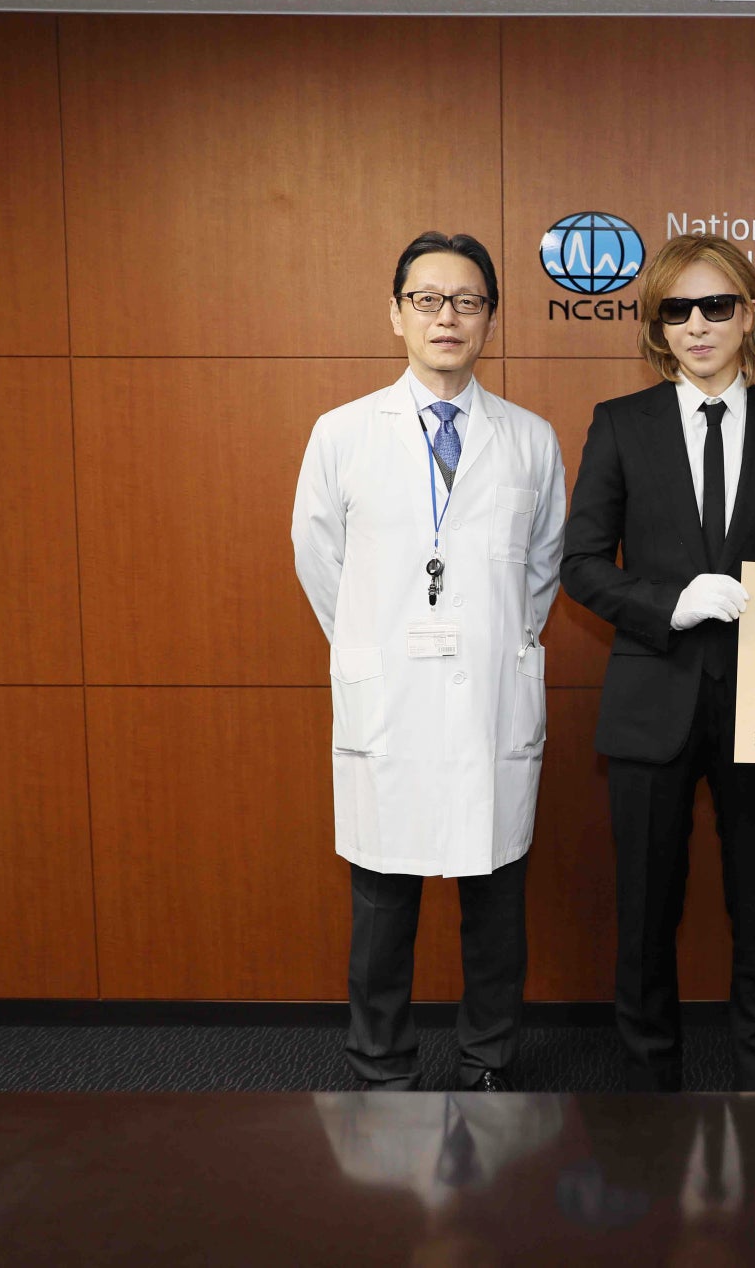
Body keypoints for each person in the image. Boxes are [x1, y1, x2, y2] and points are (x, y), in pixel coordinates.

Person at [292, 231, 566, 1091]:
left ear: (491, 319)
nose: (447, 317)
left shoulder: (530, 439)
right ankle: (381, 1068)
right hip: (391, 703)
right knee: (382, 906)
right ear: (396, 313)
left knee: (496, 904)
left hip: (490, 699)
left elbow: (543, 568)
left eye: (467, 301)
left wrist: (492, 639)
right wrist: (371, 645)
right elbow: (319, 560)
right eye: (427, 299)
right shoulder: (342, 434)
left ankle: (489, 1064)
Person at [561, 234, 755, 1092]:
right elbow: (580, 564)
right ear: (658, 326)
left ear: (749, 314)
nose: (698, 325)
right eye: (677, 310)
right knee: (646, 913)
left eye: (716, 305)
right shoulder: (620, 423)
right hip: (652, 701)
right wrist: (667, 604)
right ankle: (649, 1094)